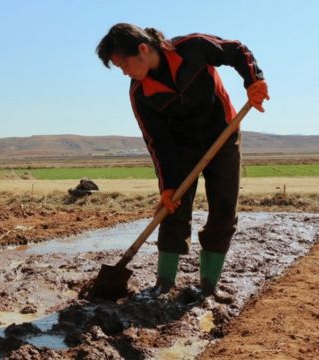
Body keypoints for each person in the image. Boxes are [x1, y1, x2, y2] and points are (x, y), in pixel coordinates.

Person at [96, 24, 269, 296]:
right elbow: (157, 142)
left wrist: (254, 80)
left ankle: (208, 286)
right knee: (173, 209)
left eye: (124, 64)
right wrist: (168, 186)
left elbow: (236, 50)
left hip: (222, 136)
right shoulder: (140, 93)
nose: (124, 72)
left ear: (143, 49)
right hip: (182, 149)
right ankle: (164, 283)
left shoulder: (193, 47)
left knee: (223, 211)